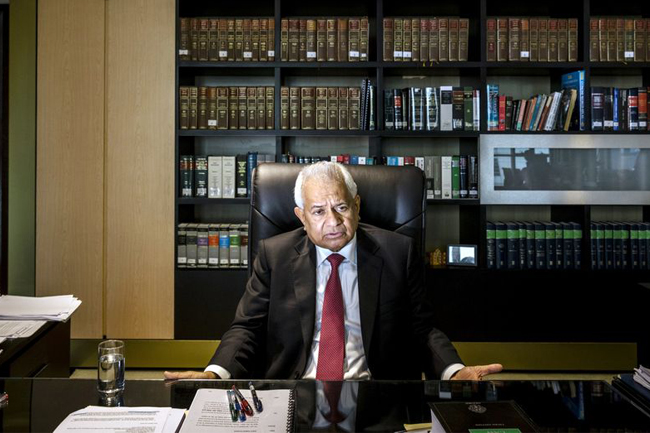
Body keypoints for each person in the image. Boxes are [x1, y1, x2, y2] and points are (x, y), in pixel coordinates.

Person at [165, 162, 501, 381]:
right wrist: (216, 372)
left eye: (341, 207)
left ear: (356, 206)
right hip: (295, 392)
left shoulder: (398, 253)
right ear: (301, 216)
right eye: (319, 211)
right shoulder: (275, 255)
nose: (333, 222)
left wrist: (453, 371)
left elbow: (422, 328)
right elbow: (246, 329)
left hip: (374, 396)